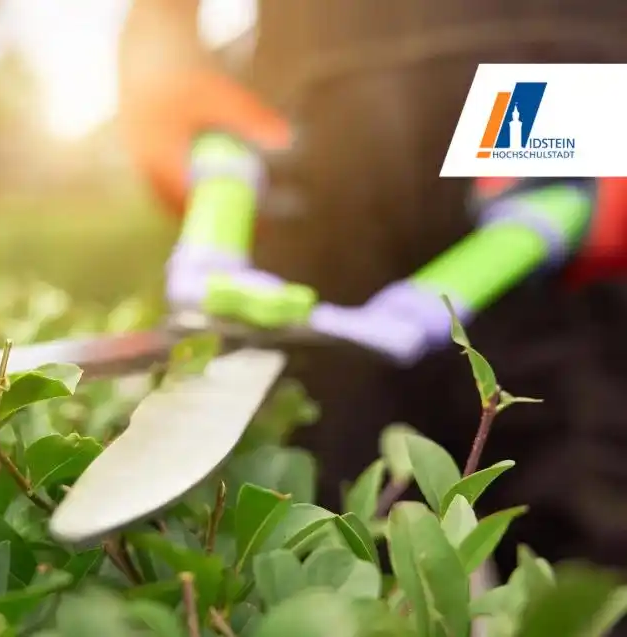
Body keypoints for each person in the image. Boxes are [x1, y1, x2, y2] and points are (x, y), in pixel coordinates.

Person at [117, 0, 627, 604]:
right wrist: (163, 48)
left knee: (594, 582)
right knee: (315, 563)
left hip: (552, 84)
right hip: (323, 109)